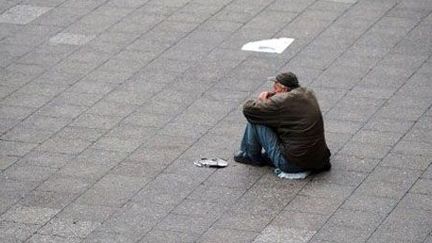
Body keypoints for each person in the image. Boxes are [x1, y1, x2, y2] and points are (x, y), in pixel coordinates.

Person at [234, 72, 331, 179]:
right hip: (318, 160)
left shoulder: (281, 102)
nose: (273, 90)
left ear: (284, 89)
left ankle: (249, 155)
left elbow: (249, 109)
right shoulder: (308, 94)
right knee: (269, 117)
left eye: (276, 87)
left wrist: (261, 99)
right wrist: (274, 98)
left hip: (292, 164)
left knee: (256, 119)